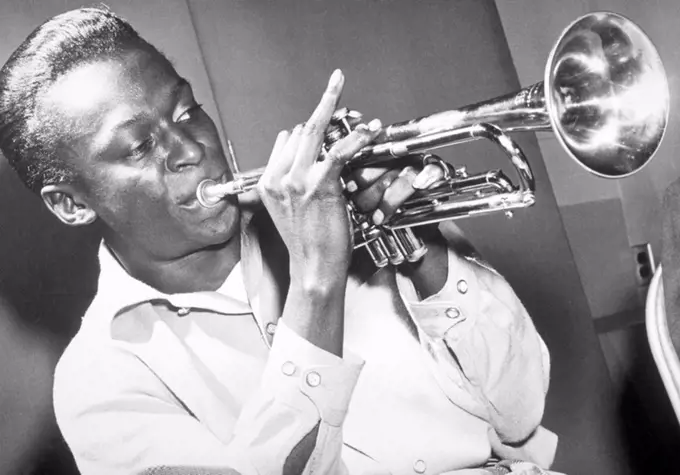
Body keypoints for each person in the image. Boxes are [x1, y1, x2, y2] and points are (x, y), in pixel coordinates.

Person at [0, 7, 558, 475]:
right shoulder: (98, 384)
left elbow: (521, 411)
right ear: (70, 203)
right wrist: (318, 279)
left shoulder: (350, 211)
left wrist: (425, 250)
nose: (189, 148)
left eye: (187, 110)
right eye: (139, 147)